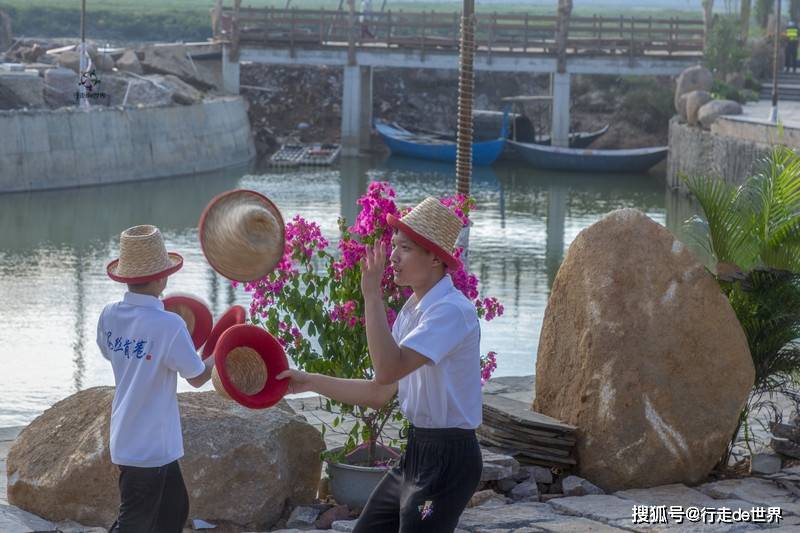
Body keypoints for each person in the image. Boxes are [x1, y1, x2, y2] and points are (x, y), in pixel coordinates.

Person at [278, 197, 483, 533]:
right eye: (395, 246)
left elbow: (388, 369)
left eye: (404, 248)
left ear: (434, 257)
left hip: (450, 460)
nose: (393, 256)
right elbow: (378, 392)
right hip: (417, 452)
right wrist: (309, 380)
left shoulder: (451, 312)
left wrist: (371, 296)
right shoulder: (412, 312)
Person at [98, 224, 216, 533]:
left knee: (173, 511)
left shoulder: (109, 315)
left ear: (124, 277)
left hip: (130, 437)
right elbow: (198, 377)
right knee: (134, 523)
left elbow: (110, 353)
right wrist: (224, 348)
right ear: (163, 277)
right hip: (150, 446)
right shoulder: (169, 325)